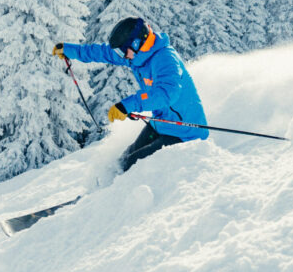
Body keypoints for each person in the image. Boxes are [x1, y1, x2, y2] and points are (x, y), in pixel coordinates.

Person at [53, 17, 208, 172]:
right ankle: (102, 193)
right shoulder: (138, 55)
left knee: (132, 165)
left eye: (123, 50)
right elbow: (103, 52)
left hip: (185, 132)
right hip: (161, 124)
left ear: (136, 42)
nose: (122, 56)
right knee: (122, 161)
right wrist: (70, 50)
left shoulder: (166, 59)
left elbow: (166, 94)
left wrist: (127, 105)